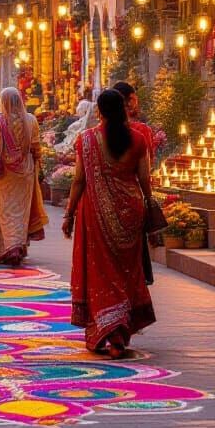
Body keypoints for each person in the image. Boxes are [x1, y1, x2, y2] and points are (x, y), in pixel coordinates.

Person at [64, 88, 155, 358]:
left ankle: (111, 331)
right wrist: (149, 208)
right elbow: (145, 181)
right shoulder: (138, 140)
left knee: (102, 273)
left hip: (96, 214)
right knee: (126, 271)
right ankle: (120, 331)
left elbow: (79, 180)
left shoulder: (87, 140)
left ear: (99, 112)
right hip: (131, 212)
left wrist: (69, 213)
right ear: (124, 109)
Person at [0, 87, 49, 266]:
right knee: (21, 211)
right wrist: (40, 168)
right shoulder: (30, 120)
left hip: (3, 174)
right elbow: (36, 149)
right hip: (26, 172)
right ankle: (19, 245)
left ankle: (10, 247)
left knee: (4, 211)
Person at [112, 81, 160, 155]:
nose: (137, 103)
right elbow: (148, 158)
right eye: (135, 99)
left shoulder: (99, 132)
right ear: (129, 102)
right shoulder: (142, 129)